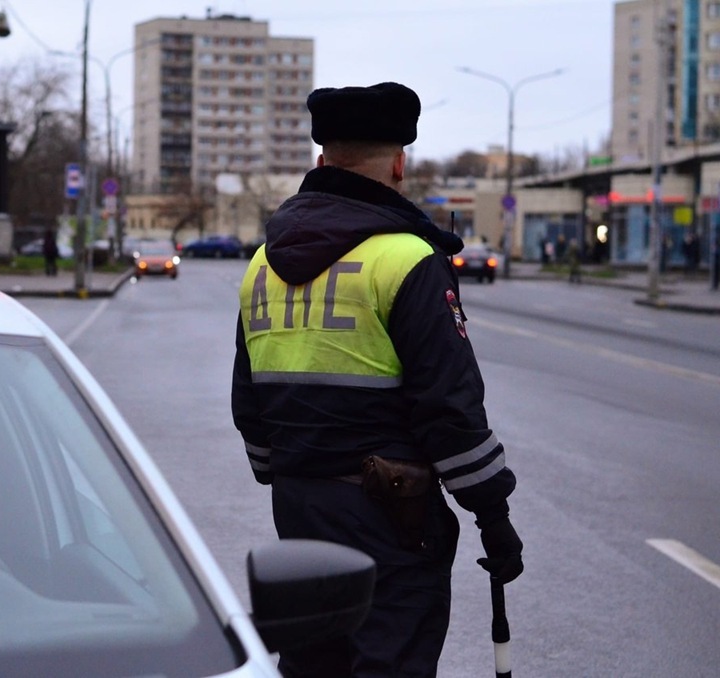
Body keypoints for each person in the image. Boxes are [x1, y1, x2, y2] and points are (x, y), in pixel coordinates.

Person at [231, 82, 523, 678]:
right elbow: (449, 409)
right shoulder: (407, 259)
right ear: (398, 164)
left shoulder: (262, 264)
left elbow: (249, 400)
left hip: (299, 509)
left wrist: (288, 473)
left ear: (322, 160)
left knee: (311, 664)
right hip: (391, 517)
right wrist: (492, 516)